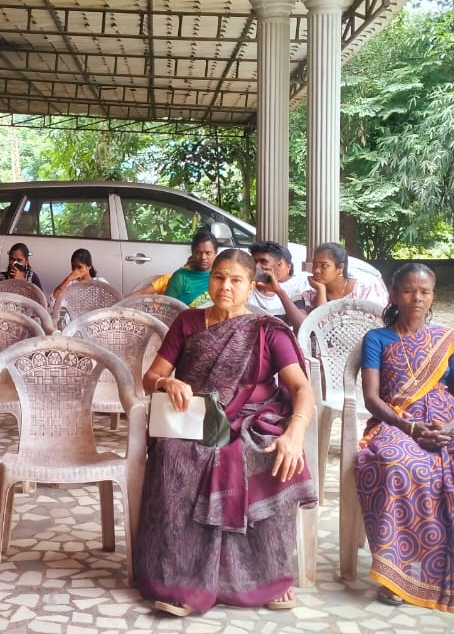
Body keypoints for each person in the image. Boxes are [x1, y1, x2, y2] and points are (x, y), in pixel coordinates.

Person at [134, 248, 317, 617]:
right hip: (195, 419)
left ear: (251, 286)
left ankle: (266, 577)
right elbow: (150, 377)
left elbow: (302, 388)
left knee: (267, 451)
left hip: (252, 421)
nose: (225, 287)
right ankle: (180, 580)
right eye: (219, 277)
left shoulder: (268, 330)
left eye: (236, 280)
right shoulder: (187, 323)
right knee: (174, 456)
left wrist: (294, 431)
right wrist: (168, 382)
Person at [355, 263, 454, 619]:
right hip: (397, 421)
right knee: (396, 464)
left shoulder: (447, 340)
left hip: (447, 421)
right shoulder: (377, 339)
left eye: (425, 291)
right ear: (394, 295)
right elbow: (372, 398)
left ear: (433, 296)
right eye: (409, 290)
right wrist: (409, 427)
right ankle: (397, 578)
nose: (417, 298)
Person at [293, 242, 387, 326]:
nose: (317, 270)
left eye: (324, 266)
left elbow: (378, 322)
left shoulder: (366, 288)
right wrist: (321, 290)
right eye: (315, 265)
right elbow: (321, 329)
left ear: (340, 268)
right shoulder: (311, 296)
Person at [135, 229, 218, 307]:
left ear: (215, 253)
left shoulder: (220, 276)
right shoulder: (180, 277)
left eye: (208, 253)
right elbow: (167, 307)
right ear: (192, 252)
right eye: (199, 253)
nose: (203, 257)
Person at [247, 241, 311, 327]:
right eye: (254, 262)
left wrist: (279, 291)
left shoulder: (293, 290)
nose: (257, 266)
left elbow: (302, 327)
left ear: (279, 264)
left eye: (263, 261)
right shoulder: (246, 290)